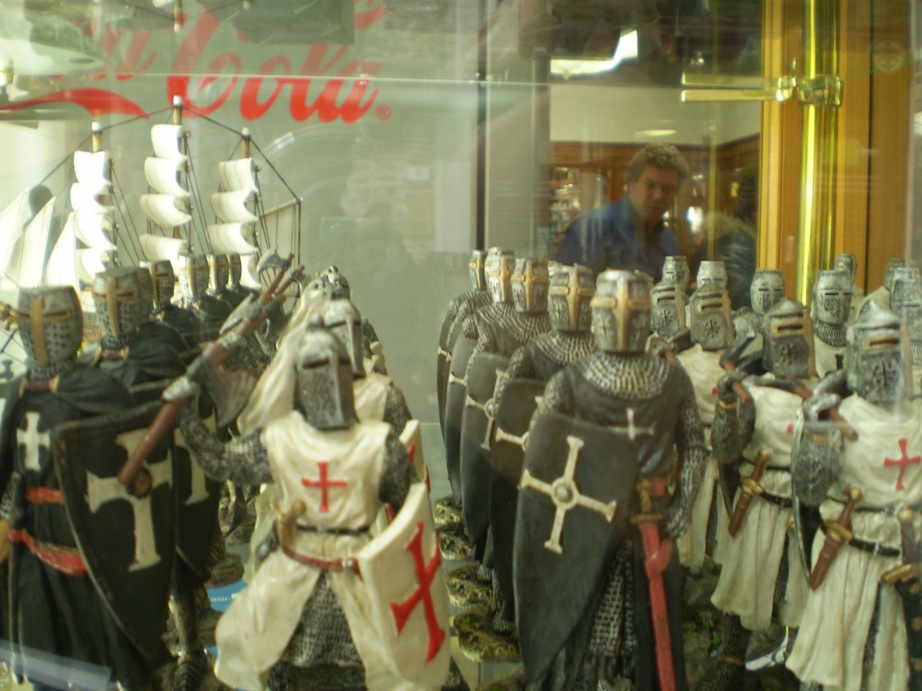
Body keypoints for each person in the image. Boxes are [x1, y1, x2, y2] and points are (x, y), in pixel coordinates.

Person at [554, 143, 690, 282]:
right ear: (631, 182)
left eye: (667, 189)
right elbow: (564, 289)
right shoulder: (591, 228)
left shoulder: (668, 240)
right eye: (650, 185)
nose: (658, 196)